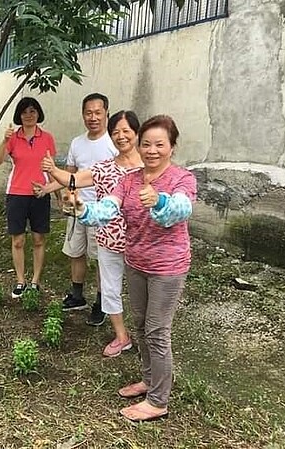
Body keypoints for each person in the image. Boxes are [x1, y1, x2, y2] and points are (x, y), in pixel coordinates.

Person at [64, 114, 196, 422]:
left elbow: (181, 209)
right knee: (140, 326)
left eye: (159, 144)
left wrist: (159, 201)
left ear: (172, 147)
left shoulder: (182, 179)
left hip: (168, 267)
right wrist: (83, 209)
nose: (151, 150)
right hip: (137, 263)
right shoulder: (128, 180)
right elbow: (107, 209)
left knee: (157, 332)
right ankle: (150, 381)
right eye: (146, 144)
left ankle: (159, 401)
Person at [39, 110, 143, 357]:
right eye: (115, 132)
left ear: (137, 133)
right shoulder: (104, 168)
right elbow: (72, 180)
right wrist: (53, 169)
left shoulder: (148, 166)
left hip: (141, 243)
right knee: (109, 288)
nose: (121, 136)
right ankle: (121, 336)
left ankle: (148, 341)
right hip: (109, 238)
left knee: (144, 295)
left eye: (126, 131)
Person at [35, 93, 117, 323]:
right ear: (83, 115)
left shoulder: (113, 143)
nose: (93, 117)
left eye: (97, 112)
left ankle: (101, 304)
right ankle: (77, 295)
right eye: (88, 113)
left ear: (106, 113)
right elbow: (68, 176)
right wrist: (49, 188)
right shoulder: (77, 143)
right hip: (76, 209)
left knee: (101, 259)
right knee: (76, 252)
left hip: (101, 212)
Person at [0, 97, 57, 298]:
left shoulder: (47, 138)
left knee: (38, 239)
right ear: (19, 115)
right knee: (18, 240)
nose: (29, 115)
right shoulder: (12, 137)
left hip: (40, 194)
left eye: (32, 111)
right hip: (16, 194)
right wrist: (4, 140)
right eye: (24, 112)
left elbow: (52, 168)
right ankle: (20, 281)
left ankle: (35, 281)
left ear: (38, 113)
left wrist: (56, 191)